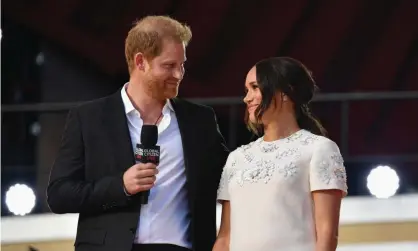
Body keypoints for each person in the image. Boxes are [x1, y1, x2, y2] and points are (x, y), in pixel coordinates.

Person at [47, 15, 229, 251]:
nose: (179, 74)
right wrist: (120, 186)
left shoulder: (199, 120)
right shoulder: (89, 118)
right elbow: (59, 195)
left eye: (182, 65)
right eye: (169, 66)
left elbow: (231, 175)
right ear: (141, 61)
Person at [213, 57, 348, 251]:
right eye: (246, 90)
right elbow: (225, 237)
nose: (247, 98)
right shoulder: (237, 158)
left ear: (285, 93)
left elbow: (327, 233)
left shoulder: (318, 149)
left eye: (255, 87)